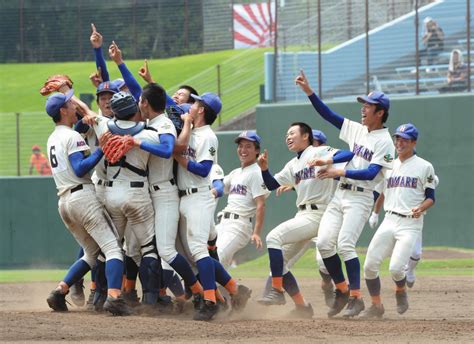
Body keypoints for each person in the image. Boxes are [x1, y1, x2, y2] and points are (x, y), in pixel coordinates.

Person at [295, 70, 395, 318]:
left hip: (360, 198)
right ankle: (342, 290)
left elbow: (372, 173)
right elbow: (329, 115)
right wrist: (310, 93)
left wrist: (338, 172)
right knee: (326, 244)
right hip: (340, 194)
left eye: (369, 106)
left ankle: (356, 297)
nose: (363, 109)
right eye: (363, 105)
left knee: (345, 245)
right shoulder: (358, 130)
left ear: (380, 112)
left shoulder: (385, 141)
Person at [44, 91, 131, 316]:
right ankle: (114, 297)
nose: (74, 107)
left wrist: (84, 127)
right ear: (63, 111)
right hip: (82, 197)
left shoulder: (54, 137)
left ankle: (60, 291)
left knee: (91, 254)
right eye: (69, 104)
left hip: (64, 202)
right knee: (113, 249)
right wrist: (102, 148)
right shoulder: (71, 137)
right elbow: (81, 168)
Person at [257, 123, 352, 318]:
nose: (288, 137)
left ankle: (277, 291)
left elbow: (348, 154)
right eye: (286, 134)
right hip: (303, 214)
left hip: (321, 213)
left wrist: (326, 160)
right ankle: (303, 306)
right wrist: (264, 169)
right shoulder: (293, 164)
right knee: (280, 262)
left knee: (273, 237)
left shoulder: (318, 151)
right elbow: (272, 184)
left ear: (306, 135)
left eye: (292, 133)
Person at [173, 92, 251, 321]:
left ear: (202, 110)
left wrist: (177, 157)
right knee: (193, 253)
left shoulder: (207, 136)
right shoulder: (192, 132)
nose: (192, 104)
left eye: (196, 102)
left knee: (198, 252)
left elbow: (204, 169)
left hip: (198, 196)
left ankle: (210, 301)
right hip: (186, 197)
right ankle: (236, 290)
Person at [361, 123, 437, 318]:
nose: (399, 142)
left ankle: (400, 291)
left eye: (404, 139)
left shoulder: (424, 166)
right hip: (389, 219)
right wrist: (375, 213)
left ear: (413, 142)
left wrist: (421, 207)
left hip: (410, 223)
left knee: (396, 268)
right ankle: (376, 306)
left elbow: (431, 197)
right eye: (397, 138)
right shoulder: (389, 165)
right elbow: (382, 193)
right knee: (369, 266)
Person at [215, 130, 269, 270]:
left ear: (257, 150)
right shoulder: (236, 173)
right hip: (223, 223)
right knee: (209, 258)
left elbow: (261, 205)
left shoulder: (256, 173)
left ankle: (211, 291)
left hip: (239, 225)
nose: (243, 150)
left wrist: (256, 232)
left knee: (218, 255)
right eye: (240, 146)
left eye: (248, 146)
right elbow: (219, 186)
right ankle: (235, 291)